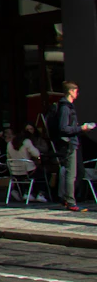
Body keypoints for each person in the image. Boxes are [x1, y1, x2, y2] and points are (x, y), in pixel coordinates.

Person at [53, 82, 94, 211]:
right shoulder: (65, 107)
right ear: (70, 91)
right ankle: (70, 201)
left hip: (72, 142)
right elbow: (64, 128)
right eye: (76, 91)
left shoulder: (67, 106)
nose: (77, 93)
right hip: (70, 143)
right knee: (71, 173)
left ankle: (68, 199)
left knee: (74, 172)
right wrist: (81, 128)